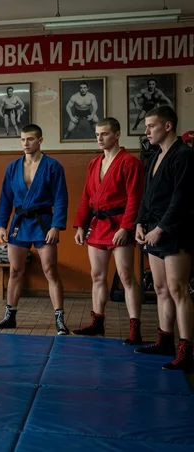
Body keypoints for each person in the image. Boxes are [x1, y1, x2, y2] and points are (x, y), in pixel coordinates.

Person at [72, 118, 144, 344]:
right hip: (98, 224)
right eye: (97, 134)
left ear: (117, 134)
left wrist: (126, 227)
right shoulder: (94, 163)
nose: (100, 138)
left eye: (104, 134)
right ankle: (97, 322)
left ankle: (135, 328)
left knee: (126, 276)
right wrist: (81, 225)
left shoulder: (130, 162)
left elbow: (135, 198)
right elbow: (86, 196)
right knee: (97, 275)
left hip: (120, 223)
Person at [134, 106, 194, 371]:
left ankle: (187, 350)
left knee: (178, 289)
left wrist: (161, 229)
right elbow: (146, 196)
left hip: (175, 231)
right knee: (160, 289)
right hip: (152, 229)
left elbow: (182, 198)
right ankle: (165, 340)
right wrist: (139, 222)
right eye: (146, 126)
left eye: (151, 126)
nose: (146, 131)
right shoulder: (156, 156)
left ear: (168, 126)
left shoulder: (184, 155)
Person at [0, 124, 70, 334]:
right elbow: (5, 198)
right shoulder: (13, 167)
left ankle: (59, 318)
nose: (25, 143)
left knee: (50, 270)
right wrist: (2, 225)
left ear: (40, 140)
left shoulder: (53, 166)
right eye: (22, 139)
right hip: (19, 223)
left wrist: (56, 226)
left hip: (43, 222)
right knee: (15, 270)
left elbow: (61, 198)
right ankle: (10, 315)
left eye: (30, 139)